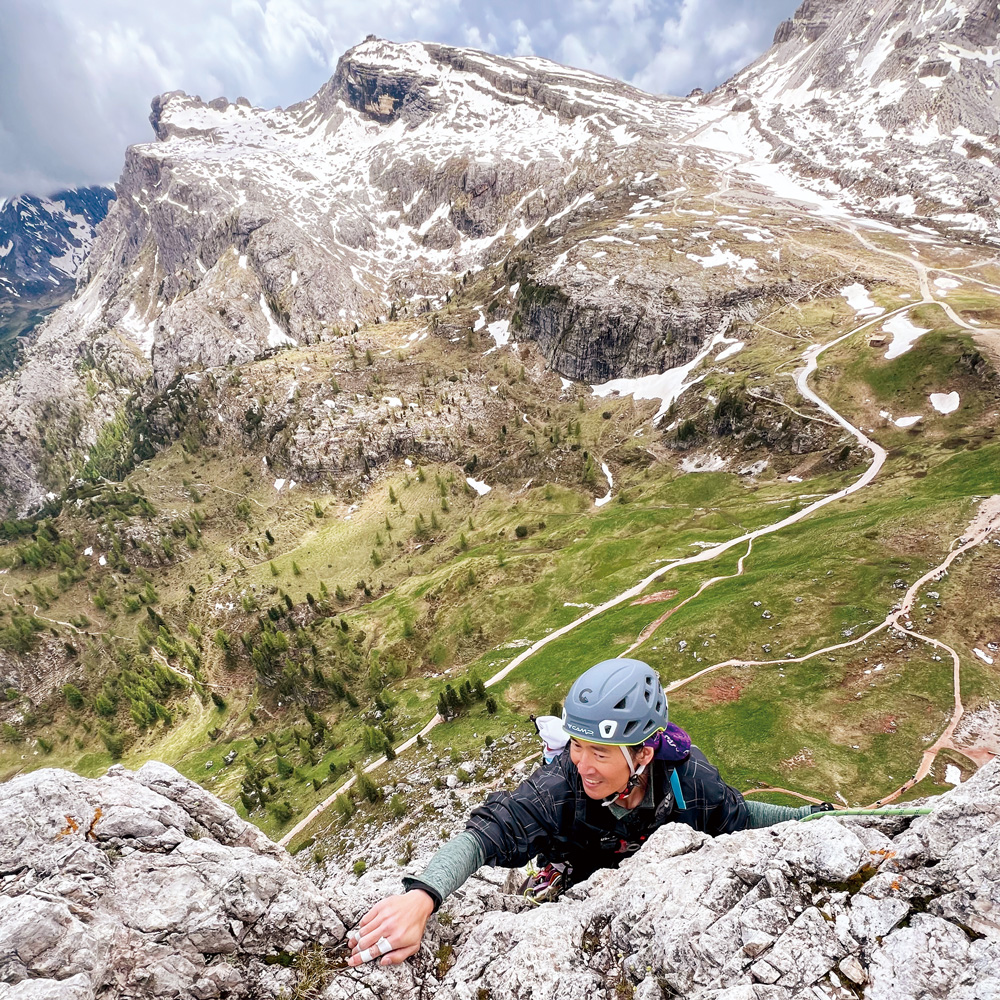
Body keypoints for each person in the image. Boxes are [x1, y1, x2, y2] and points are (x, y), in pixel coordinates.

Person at [347, 657, 830, 967]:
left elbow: (742, 818)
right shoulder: (560, 787)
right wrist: (422, 897)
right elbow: (486, 834)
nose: (582, 765)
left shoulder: (689, 782)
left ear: (643, 754)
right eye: (577, 746)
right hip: (580, 888)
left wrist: (818, 818)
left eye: (601, 752)